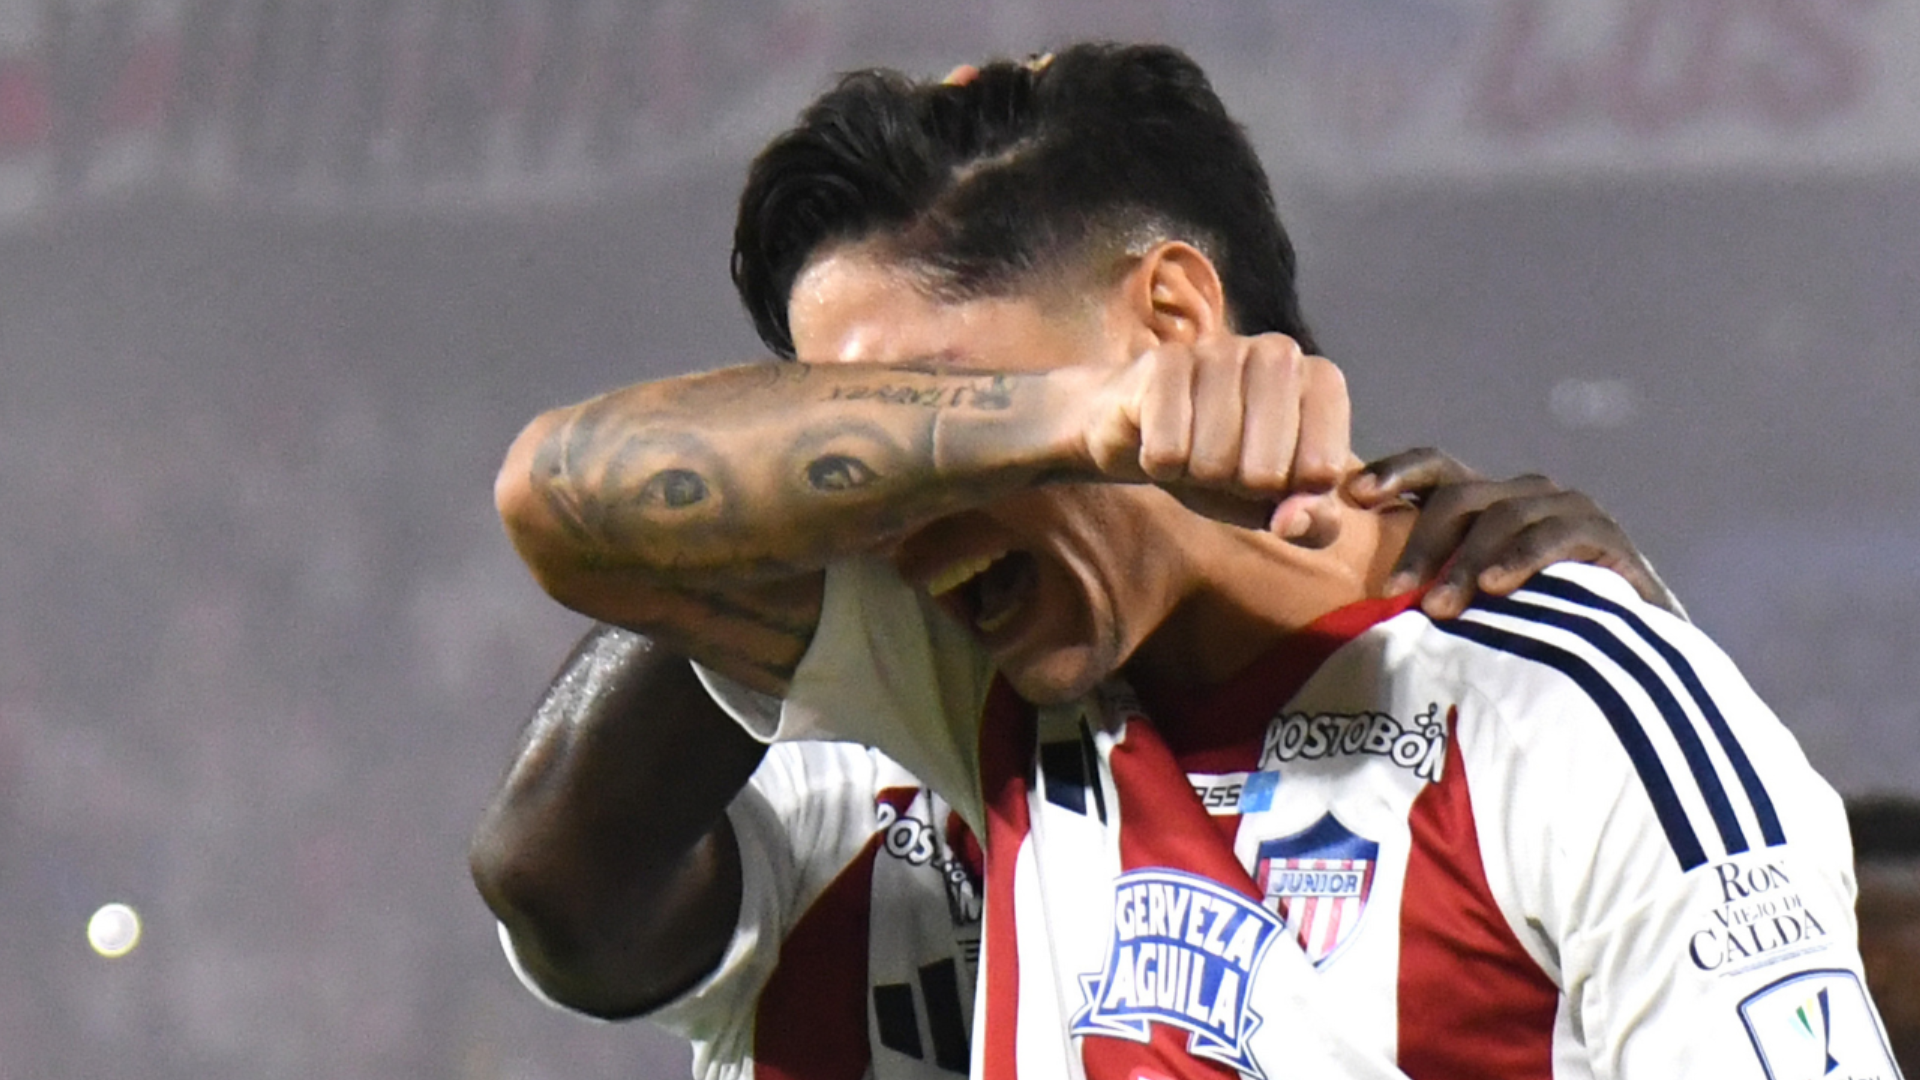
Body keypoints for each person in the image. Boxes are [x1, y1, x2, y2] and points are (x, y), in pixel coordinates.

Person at [489, 44, 1898, 1080]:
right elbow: (565, 504)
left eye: (938, 399)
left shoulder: (1569, 715)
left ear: (1173, 314)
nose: (899, 500)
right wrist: (1065, 424)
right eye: (873, 438)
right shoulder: (967, 667)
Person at [473, 457, 1682, 1079]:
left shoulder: (1380, 770)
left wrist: (1595, 637)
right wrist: (824, 468)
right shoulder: (826, 800)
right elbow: (553, 876)